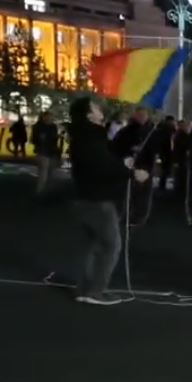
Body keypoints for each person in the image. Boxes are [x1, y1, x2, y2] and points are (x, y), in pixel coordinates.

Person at [69, 97, 149, 305]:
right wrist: (131, 173)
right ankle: (95, 291)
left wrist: (123, 163)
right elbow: (101, 166)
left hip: (85, 196)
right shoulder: (90, 135)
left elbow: (102, 160)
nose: (100, 108)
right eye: (95, 107)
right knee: (111, 245)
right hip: (97, 199)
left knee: (91, 245)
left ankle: (84, 289)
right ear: (88, 114)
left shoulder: (84, 135)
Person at [112, 107, 157, 224]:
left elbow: (155, 149)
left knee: (144, 194)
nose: (142, 118)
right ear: (134, 115)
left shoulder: (152, 132)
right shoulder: (125, 132)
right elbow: (116, 148)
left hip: (146, 166)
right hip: (130, 166)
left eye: (144, 115)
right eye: (139, 115)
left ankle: (139, 217)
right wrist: (128, 153)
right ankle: (124, 215)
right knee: (128, 192)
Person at [31, 111, 59, 196]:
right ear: (44, 117)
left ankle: (45, 192)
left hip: (50, 152)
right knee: (43, 174)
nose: (50, 119)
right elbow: (34, 139)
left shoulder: (53, 127)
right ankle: (40, 192)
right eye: (49, 117)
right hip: (42, 152)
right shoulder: (39, 127)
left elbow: (54, 140)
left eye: (51, 117)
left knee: (49, 174)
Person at [173, 119, 192, 198]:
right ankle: (181, 193)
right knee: (181, 176)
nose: (185, 128)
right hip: (182, 159)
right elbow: (177, 148)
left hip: (189, 160)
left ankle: (190, 192)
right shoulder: (179, 135)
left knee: (189, 177)